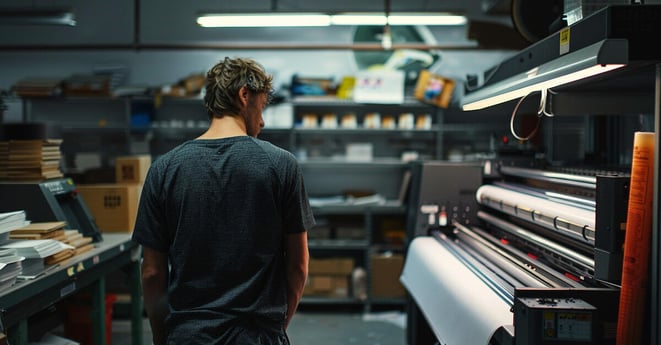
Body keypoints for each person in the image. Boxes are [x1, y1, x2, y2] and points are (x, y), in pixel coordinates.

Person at [132, 56, 315, 345]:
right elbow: (298, 266)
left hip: (189, 336)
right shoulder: (282, 165)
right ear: (245, 95)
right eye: (262, 105)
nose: (263, 120)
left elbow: (152, 272)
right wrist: (276, 328)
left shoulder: (165, 168)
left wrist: (161, 337)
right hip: (257, 336)